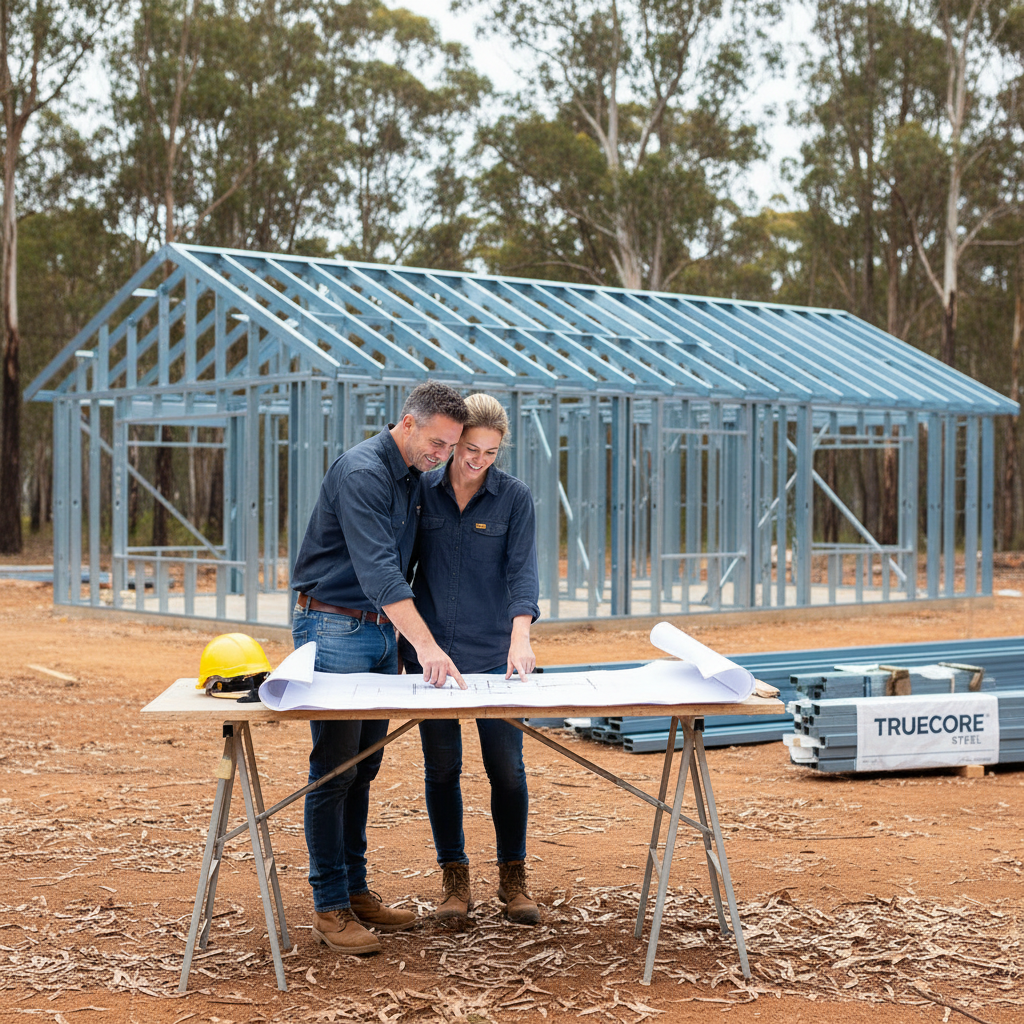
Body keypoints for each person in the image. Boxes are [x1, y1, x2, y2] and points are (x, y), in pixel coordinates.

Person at [290, 381, 469, 955]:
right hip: (335, 627)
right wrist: (430, 647)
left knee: (363, 767)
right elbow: (380, 573)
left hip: (377, 633)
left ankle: (357, 892)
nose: (441, 456)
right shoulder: (362, 472)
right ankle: (330, 907)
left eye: (451, 447)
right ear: (407, 423)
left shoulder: (413, 479)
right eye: (437, 443)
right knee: (334, 769)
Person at [400, 393, 542, 925]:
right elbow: (402, 568)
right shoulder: (422, 494)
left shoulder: (515, 499)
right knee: (442, 770)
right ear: (453, 441)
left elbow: (522, 572)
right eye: (469, 448)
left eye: (490, 451)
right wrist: (408, 644)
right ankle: (454, 882)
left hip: (496, 655)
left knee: (506, 768)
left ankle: (514, 879)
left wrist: (520, 636)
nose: (478, 460)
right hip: (435, 657)